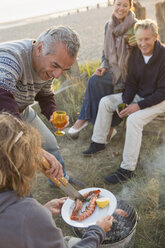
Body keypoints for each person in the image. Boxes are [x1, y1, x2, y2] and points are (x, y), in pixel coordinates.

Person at [0, 112, 113, 248]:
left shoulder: (26, 214)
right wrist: (98, 231)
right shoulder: (30, 213)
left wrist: (43, 211)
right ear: (24, 163)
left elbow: (14, 227)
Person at [83, 19, 165, 184]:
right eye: (140, 39)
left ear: (156, 36)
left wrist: (137, 106)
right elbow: (132, 82)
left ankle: (127, 169)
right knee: (106, 102)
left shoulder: (163, 55)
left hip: (160, 100)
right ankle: (99, 142)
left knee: (134, 120)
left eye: (147, 39)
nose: (143, 43)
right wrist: (126, 102)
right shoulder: (136, 53)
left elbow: (162, 92)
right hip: (140, 95)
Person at [0, 25, 84, 186]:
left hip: (20, 110)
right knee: (15, 160)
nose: (57, 75)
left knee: (50, 143)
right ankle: (22, 201)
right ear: (39, 48)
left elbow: (45, 94)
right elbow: (3, 101)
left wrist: (52, 112)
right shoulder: (10, 58)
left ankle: (60, 180)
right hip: (3, 115)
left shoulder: (48, 64)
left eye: (64, 69)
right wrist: (31, 145)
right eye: (55, 66)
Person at [68, 0, 137, 141]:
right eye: (118, 4)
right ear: (114, 5)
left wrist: (136, 45)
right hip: (113, 70)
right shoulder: (109, 25)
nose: (121, 8)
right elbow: (105, 51)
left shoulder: (136, 26)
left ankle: (108, 127)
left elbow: (144, 52)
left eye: (125, 5)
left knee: (117, 88)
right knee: (95, 80)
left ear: (130, 7)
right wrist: (104, 66)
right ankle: (84, 118)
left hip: (131, 73)